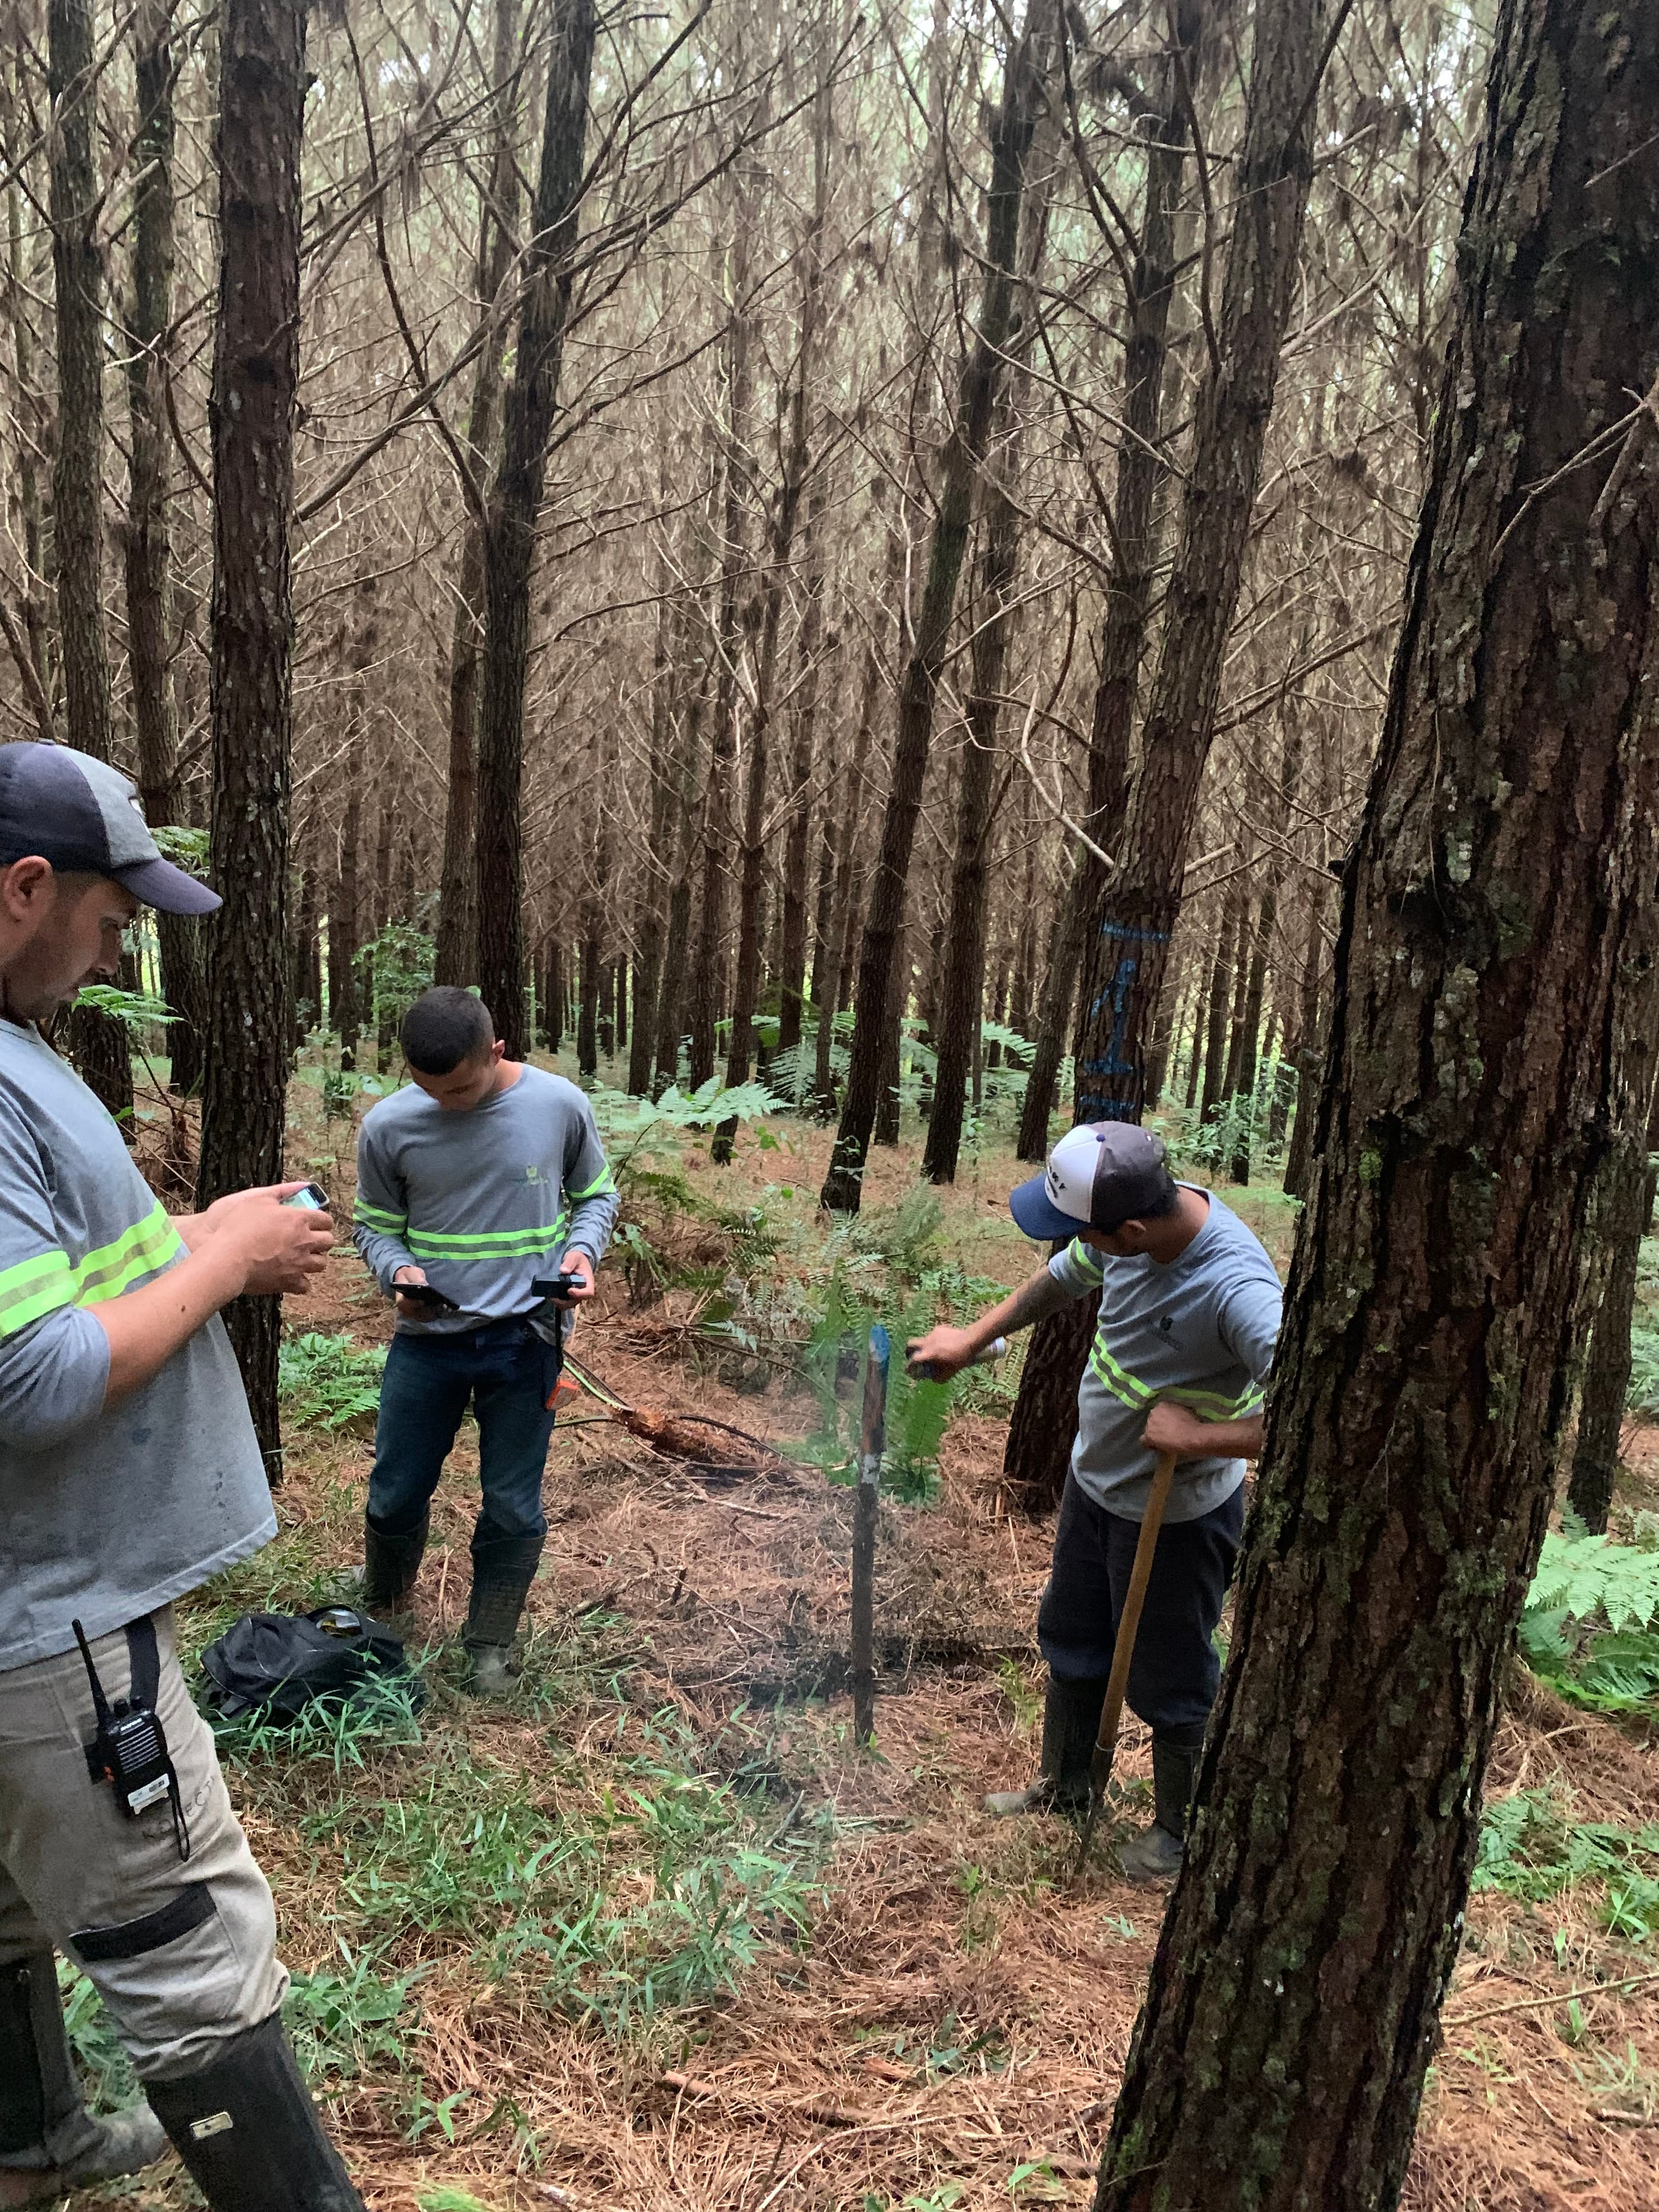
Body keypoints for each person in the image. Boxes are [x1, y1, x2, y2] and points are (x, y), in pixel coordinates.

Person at [0, 742, 364, 2208]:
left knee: (9, 1910)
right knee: (183, 1946)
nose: (114, 950)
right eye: (109, 917)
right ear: (27, 889)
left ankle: (30, 2146)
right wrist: (219, 1264)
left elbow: (45, 1291)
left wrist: (186, 1231)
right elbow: (30, 1377)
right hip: (52, 1628)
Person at [908, 1121, 1282, 1881]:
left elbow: (1316, 1420)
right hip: (1096, 1485)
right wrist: (974, 1336)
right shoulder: (1129, 1239)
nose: (1078, 1244)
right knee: (1072, 1635)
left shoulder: (1238, 1291)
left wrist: (1202, 1438)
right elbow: (1068, 1276)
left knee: (1170, 1677)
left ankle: (1180, 1836)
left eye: (1088, 1232)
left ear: (1134, 1229)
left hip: (1174, 1518)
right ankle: (1067, 1789)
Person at [350, 986, 619, 1692]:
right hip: (428, 1339)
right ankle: (383, 1597)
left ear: (496, 1052)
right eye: (430, 1089)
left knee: (511, 1501)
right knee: (396, 1490)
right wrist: (398, 1270)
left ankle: (490, 1643)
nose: (449, 1103)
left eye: (464, 1087)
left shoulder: (558, 1106)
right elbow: (373, 1224)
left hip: (527, 1339)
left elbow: (596, 1195)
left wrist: (583, 1254)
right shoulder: (388, 1126)